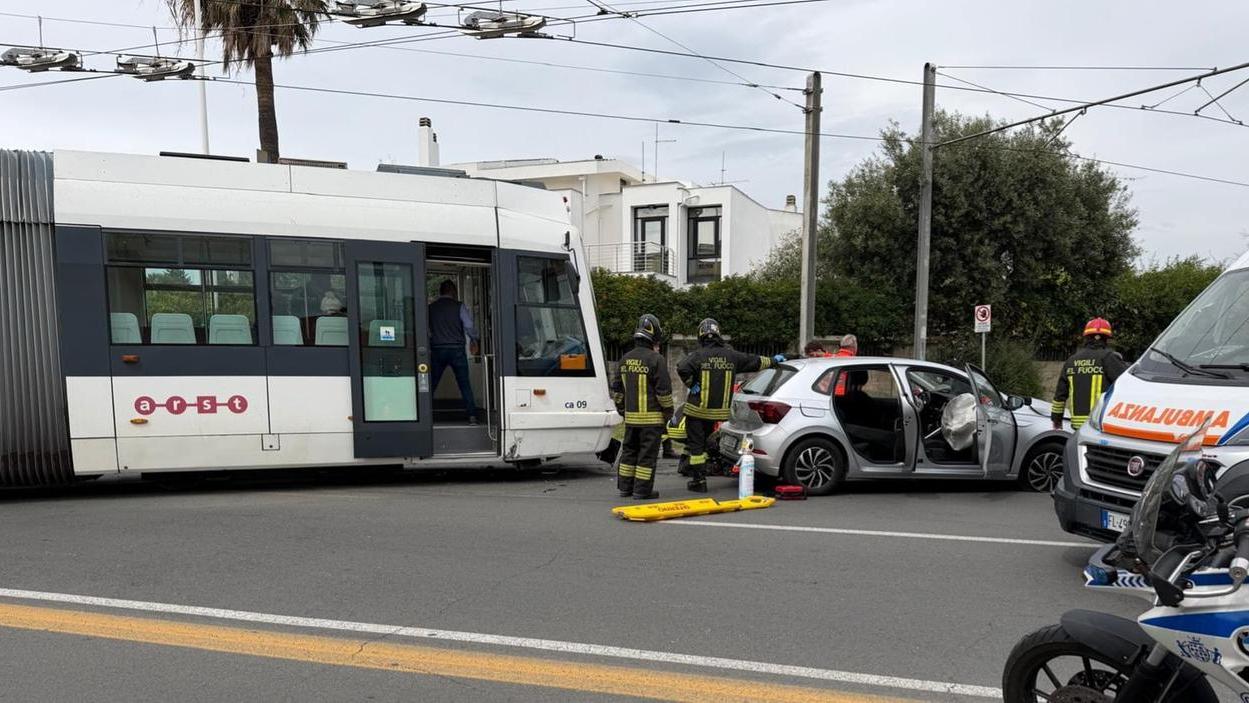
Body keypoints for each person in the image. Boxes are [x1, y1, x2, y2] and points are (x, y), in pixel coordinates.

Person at [677, 318, 784, 493]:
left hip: (697, 410)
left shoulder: (698, 355)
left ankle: (699, 481)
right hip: (716, 413)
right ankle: (700, 475)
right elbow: (755, 361)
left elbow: (682, 367)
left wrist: (691, 383)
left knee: (696, 447)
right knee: (704, 445)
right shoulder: (731, 356)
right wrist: (774, 360)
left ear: (701, 336)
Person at [610, 314, 673, 499]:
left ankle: (625, 488)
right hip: (651, 420)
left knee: (629, 452)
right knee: (647, 455)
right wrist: (668, 412)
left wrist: (623, 410)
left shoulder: (624, 359)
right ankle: (642, 490)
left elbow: (617, 390)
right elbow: (664, 392)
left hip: (631, 419)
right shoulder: (656, 359)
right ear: (654, 335)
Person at [1051, 317, 1129, 431]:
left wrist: (1056, 420)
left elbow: (1060, 395)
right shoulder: (1109, 358)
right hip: (1101, 424)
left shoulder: (1071, 361)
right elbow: (1127, 385)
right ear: (1106, 339)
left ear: (1086, 337)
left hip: (1077, 426)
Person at [428, 280, 480, 426]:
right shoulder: (459, 306)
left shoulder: (430, 308)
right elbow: (469, 325)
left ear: (441, 291)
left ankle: (425, 416)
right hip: (457, 349)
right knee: (464, 384)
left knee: (431, 383)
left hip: (437, 349)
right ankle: (472, 416)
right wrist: (474, 339)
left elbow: (426, 329)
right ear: (453, 291)